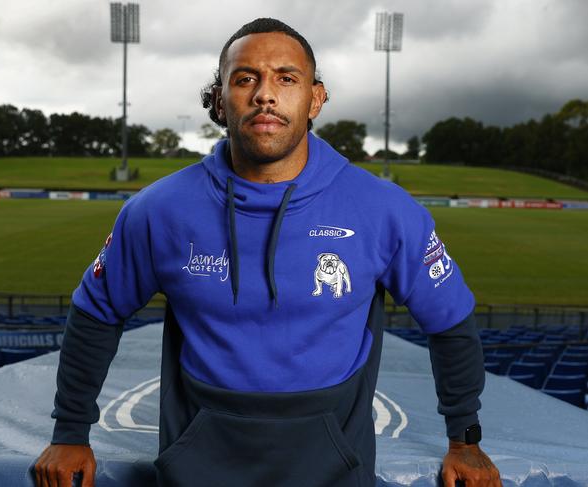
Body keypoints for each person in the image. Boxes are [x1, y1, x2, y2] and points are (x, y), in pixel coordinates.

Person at [34, 18, 502, 487]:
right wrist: (71, 432)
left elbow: (451, 323)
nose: (264, 94)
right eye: (245, 79)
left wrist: (466, 441)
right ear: (219, 100)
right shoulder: (157, 210)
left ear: (315, 97)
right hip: (198, 469)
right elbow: (95, 314)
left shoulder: (384, 209)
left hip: (336, 468)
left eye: (286, 78)